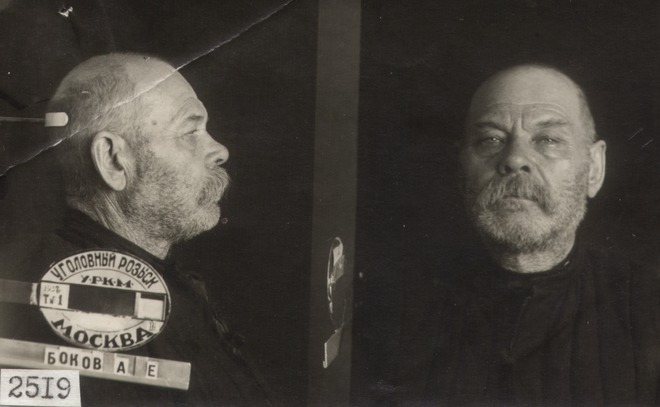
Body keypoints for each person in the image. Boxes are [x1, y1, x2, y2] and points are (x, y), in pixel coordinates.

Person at [0, 53, 273, 406]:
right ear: (114, 161)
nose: (219, 150)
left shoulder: (152, 282)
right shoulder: (76, 315)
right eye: (190, 131)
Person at [395, 64, 660, 406]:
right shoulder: (391, 314)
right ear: (462, 167)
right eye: (491, 139)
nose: (515, 158)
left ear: (594, 169)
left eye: (548, 140)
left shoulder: (650, 308)